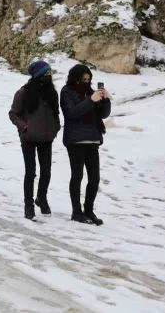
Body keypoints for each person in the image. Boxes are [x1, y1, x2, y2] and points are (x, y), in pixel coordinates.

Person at [9, 60, 61, 220]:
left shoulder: (53, 93)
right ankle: (28, 205)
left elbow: (55, 112)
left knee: (46, 171)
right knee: (30, 172)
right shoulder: (23, 92)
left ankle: (41, 197)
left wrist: (56, 127)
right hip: (29, 138)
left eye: (50, 73)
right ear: (38, 75)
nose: (49, 76)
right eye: (46, 74)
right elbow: (13, 113)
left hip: (46, 137)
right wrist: (24, 127)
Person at [60, 64, 111, 226]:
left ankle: (89, 210)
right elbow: (71, 113)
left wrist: (106, 99)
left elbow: (103, 114)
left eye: (89, 79)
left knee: (94, 178)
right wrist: (90, 100)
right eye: (83, 79)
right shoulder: (66, 91)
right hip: (75, 140)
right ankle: (76, 212)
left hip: (93, 139)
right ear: (75, 78)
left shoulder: (91, 93)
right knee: (77, 176)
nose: (86, 82)